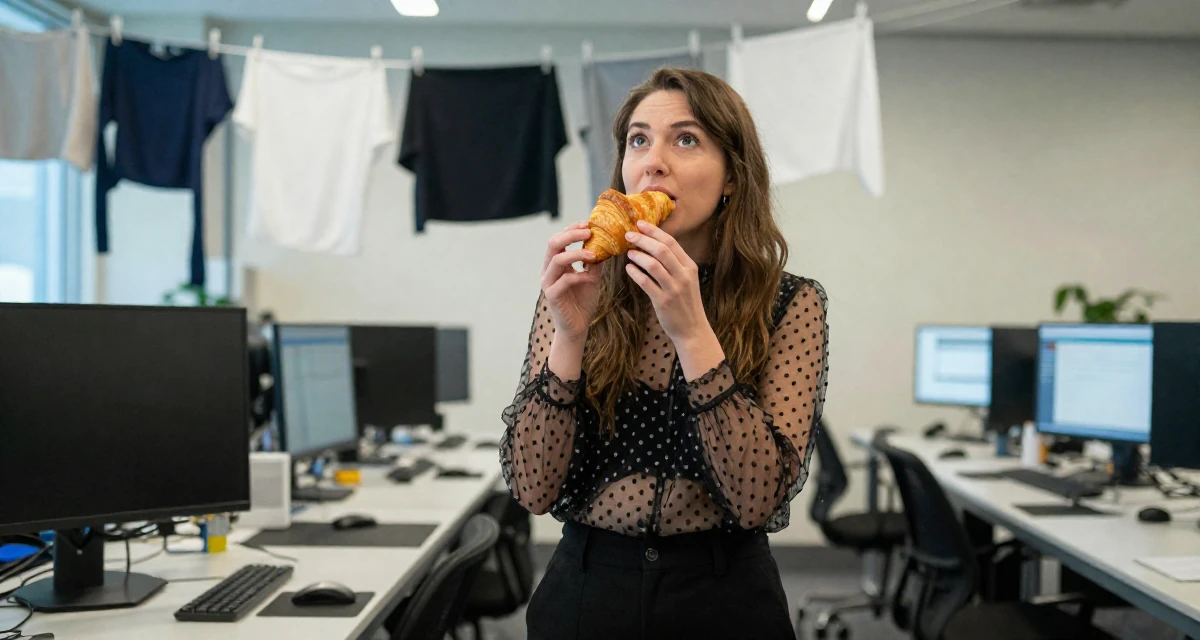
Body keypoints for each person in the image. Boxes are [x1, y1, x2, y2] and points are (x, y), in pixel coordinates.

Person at [500, 67, 828, 640]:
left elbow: (757, 500)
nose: (653, 160)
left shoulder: (791, 303)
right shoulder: (580, 292)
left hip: (724, 600)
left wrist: (693, 332)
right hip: (586, 594)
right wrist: (569, 338)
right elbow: (532, 488)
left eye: (685, 138)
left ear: (732, 176)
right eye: (638, 140)